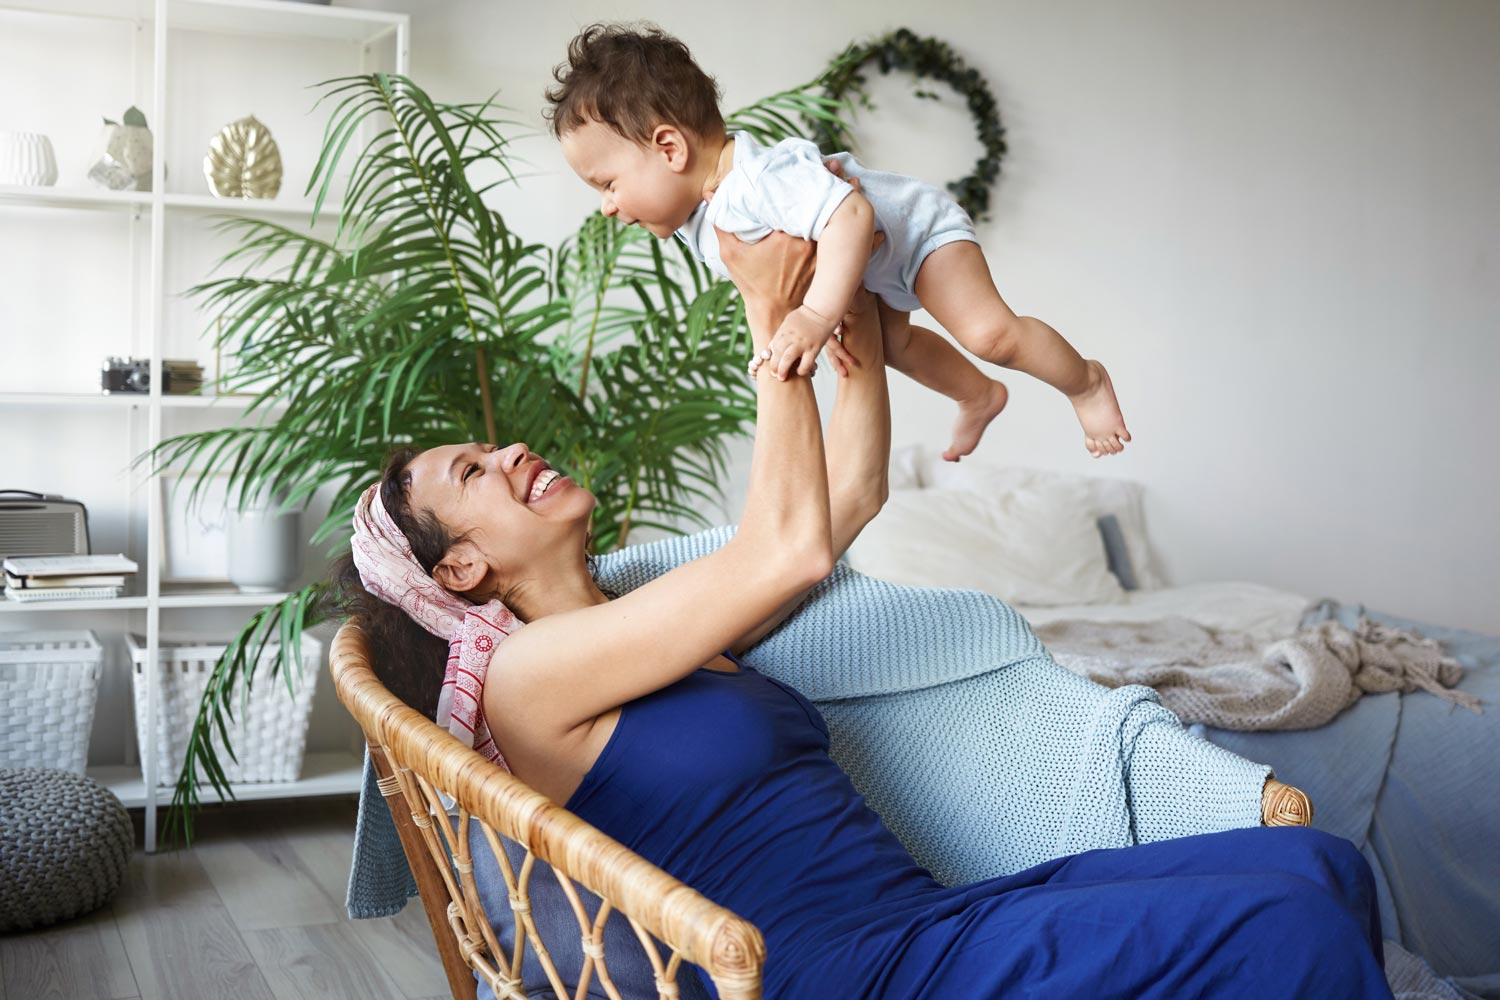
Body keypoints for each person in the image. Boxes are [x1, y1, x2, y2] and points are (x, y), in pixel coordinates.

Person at [335, 207, 1390, 996]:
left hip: (919, 917)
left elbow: (845, 503)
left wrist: (855, 330)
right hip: (839, 974)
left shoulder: (646, 612)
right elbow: (787, 552)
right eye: (473, 473)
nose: (512, 451)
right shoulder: (527, 677)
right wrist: (767, 309)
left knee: (1322, 862)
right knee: (1292, 930)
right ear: (462, 570)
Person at [545, 23, 1131, 461]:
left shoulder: (757, 177)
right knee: (897, 349)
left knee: (990, 334)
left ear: (670, 149)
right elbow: (795, 269)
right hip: (876, 272)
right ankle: (978, 396)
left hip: (918, 233)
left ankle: (1085, 380)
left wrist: (819, 313)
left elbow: (852, 214)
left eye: (608, 183)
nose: (607, 206)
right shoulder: (704, 220)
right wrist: (821, 313)